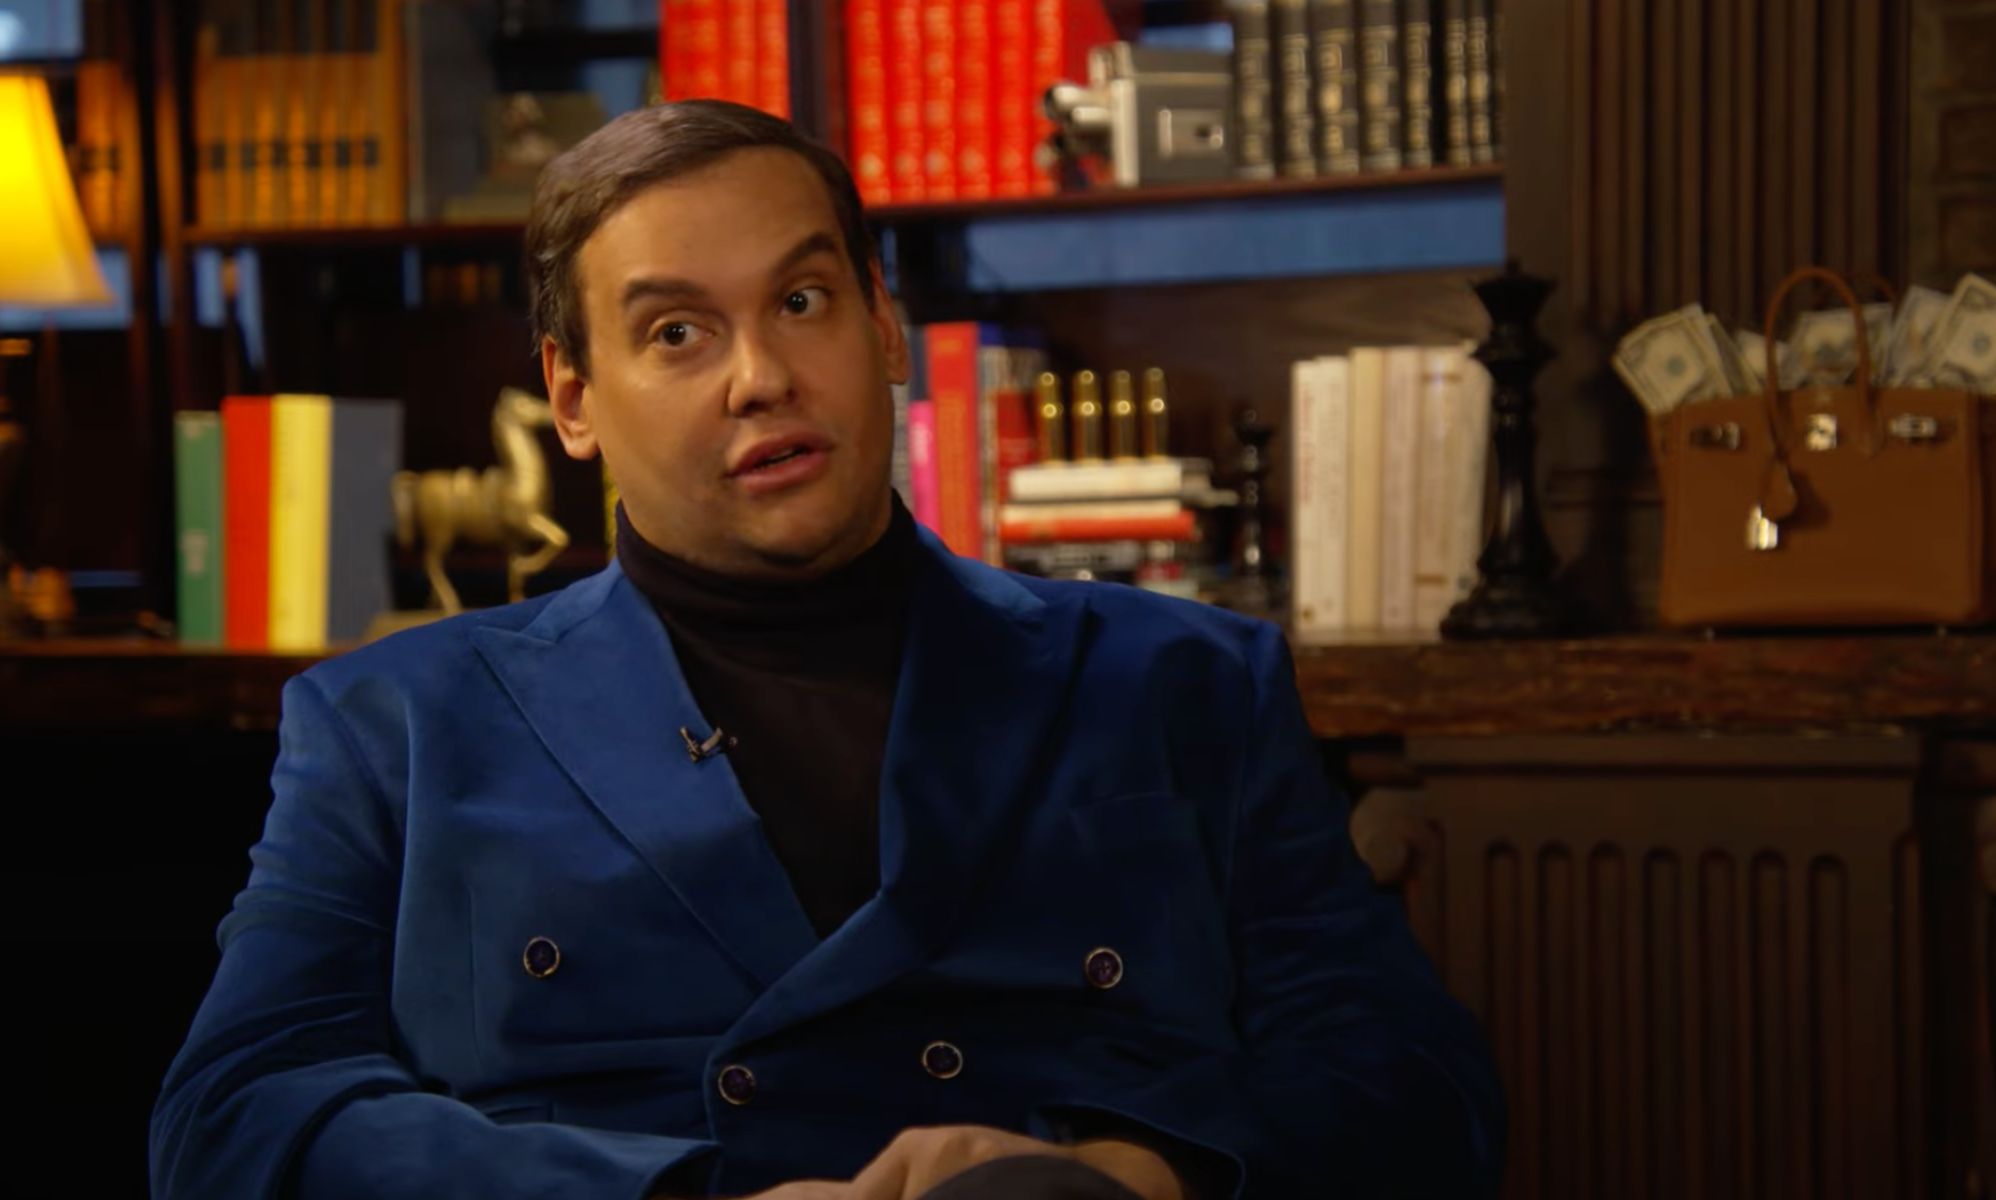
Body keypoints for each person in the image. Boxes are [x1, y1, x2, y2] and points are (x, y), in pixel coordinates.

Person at [150, 100, 1504, 1200]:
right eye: (676, 332)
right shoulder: (396, 721)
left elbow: (1412, 1081)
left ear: (883, 324)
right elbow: (234, 1119)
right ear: (572, 397)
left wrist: (1128, 1179)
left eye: (801, 301)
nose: (761, 376)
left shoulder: (1183, 680)